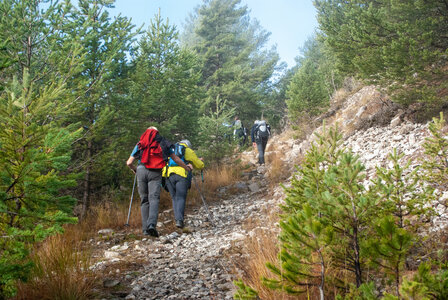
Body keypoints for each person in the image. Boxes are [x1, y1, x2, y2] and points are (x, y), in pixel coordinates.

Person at [126, 127, 191, 237]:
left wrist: (135, 170)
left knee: (144, 199)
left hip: (141, 170)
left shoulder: (141, 142)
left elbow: (129, 162)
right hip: (155, 172)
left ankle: (145, 229)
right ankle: (152, 225)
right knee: (154, 199)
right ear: (157, 133)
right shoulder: (163, 142)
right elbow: (175, 159)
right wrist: (186, 168)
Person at [163, 139, 204, 228]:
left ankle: (177, 219)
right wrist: (200, 162)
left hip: (168, 175)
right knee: (181, 197)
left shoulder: (171, 149)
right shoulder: (187, 150)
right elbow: (199, 165)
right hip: (181, 175)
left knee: (174, 198)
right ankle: (179, 220)